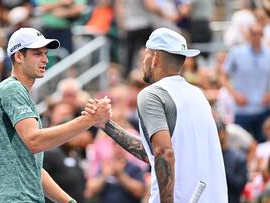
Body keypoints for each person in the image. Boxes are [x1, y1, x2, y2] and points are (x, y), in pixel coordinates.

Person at [84, 28, 228, 202]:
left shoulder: (152, 94)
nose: (143, 61)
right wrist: (106, 125)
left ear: (155, 58)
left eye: (145, 55)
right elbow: (152, 153)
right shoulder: (197, 94)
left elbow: (163, 151)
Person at [0, 27, 111, 202]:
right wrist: (90, 119)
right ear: (19, 56)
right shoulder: (12, 89)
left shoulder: (18, 92)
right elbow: (35, 141)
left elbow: (34, 168)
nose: (45, 59)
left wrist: (69, 201)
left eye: (45, 53)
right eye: (37, 54)